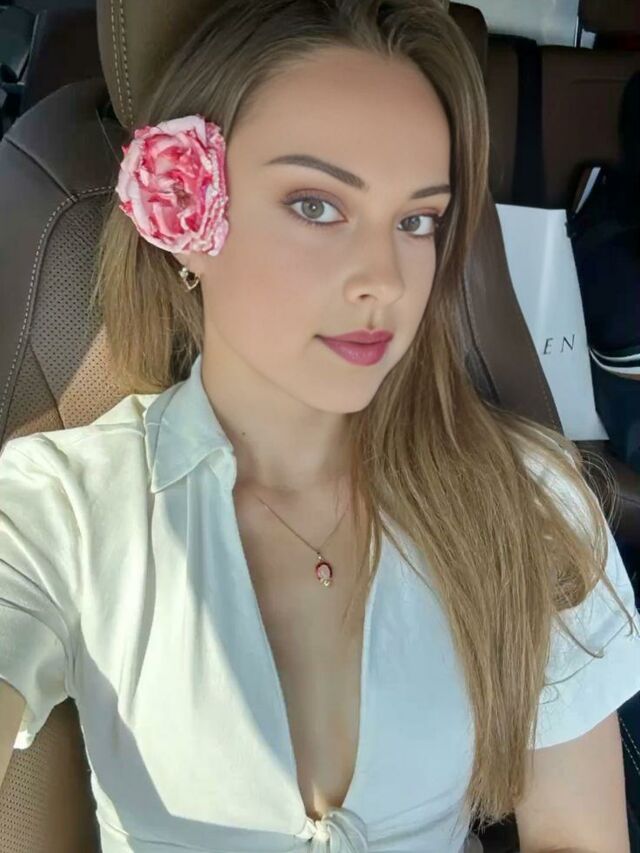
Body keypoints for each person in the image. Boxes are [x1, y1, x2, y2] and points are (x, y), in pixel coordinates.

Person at [0, 2, 639, 851]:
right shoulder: (58, 512)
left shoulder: (530, 502)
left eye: (417, 220)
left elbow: (577, 836)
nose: (385, 280)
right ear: (182, 215)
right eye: (315, 205)